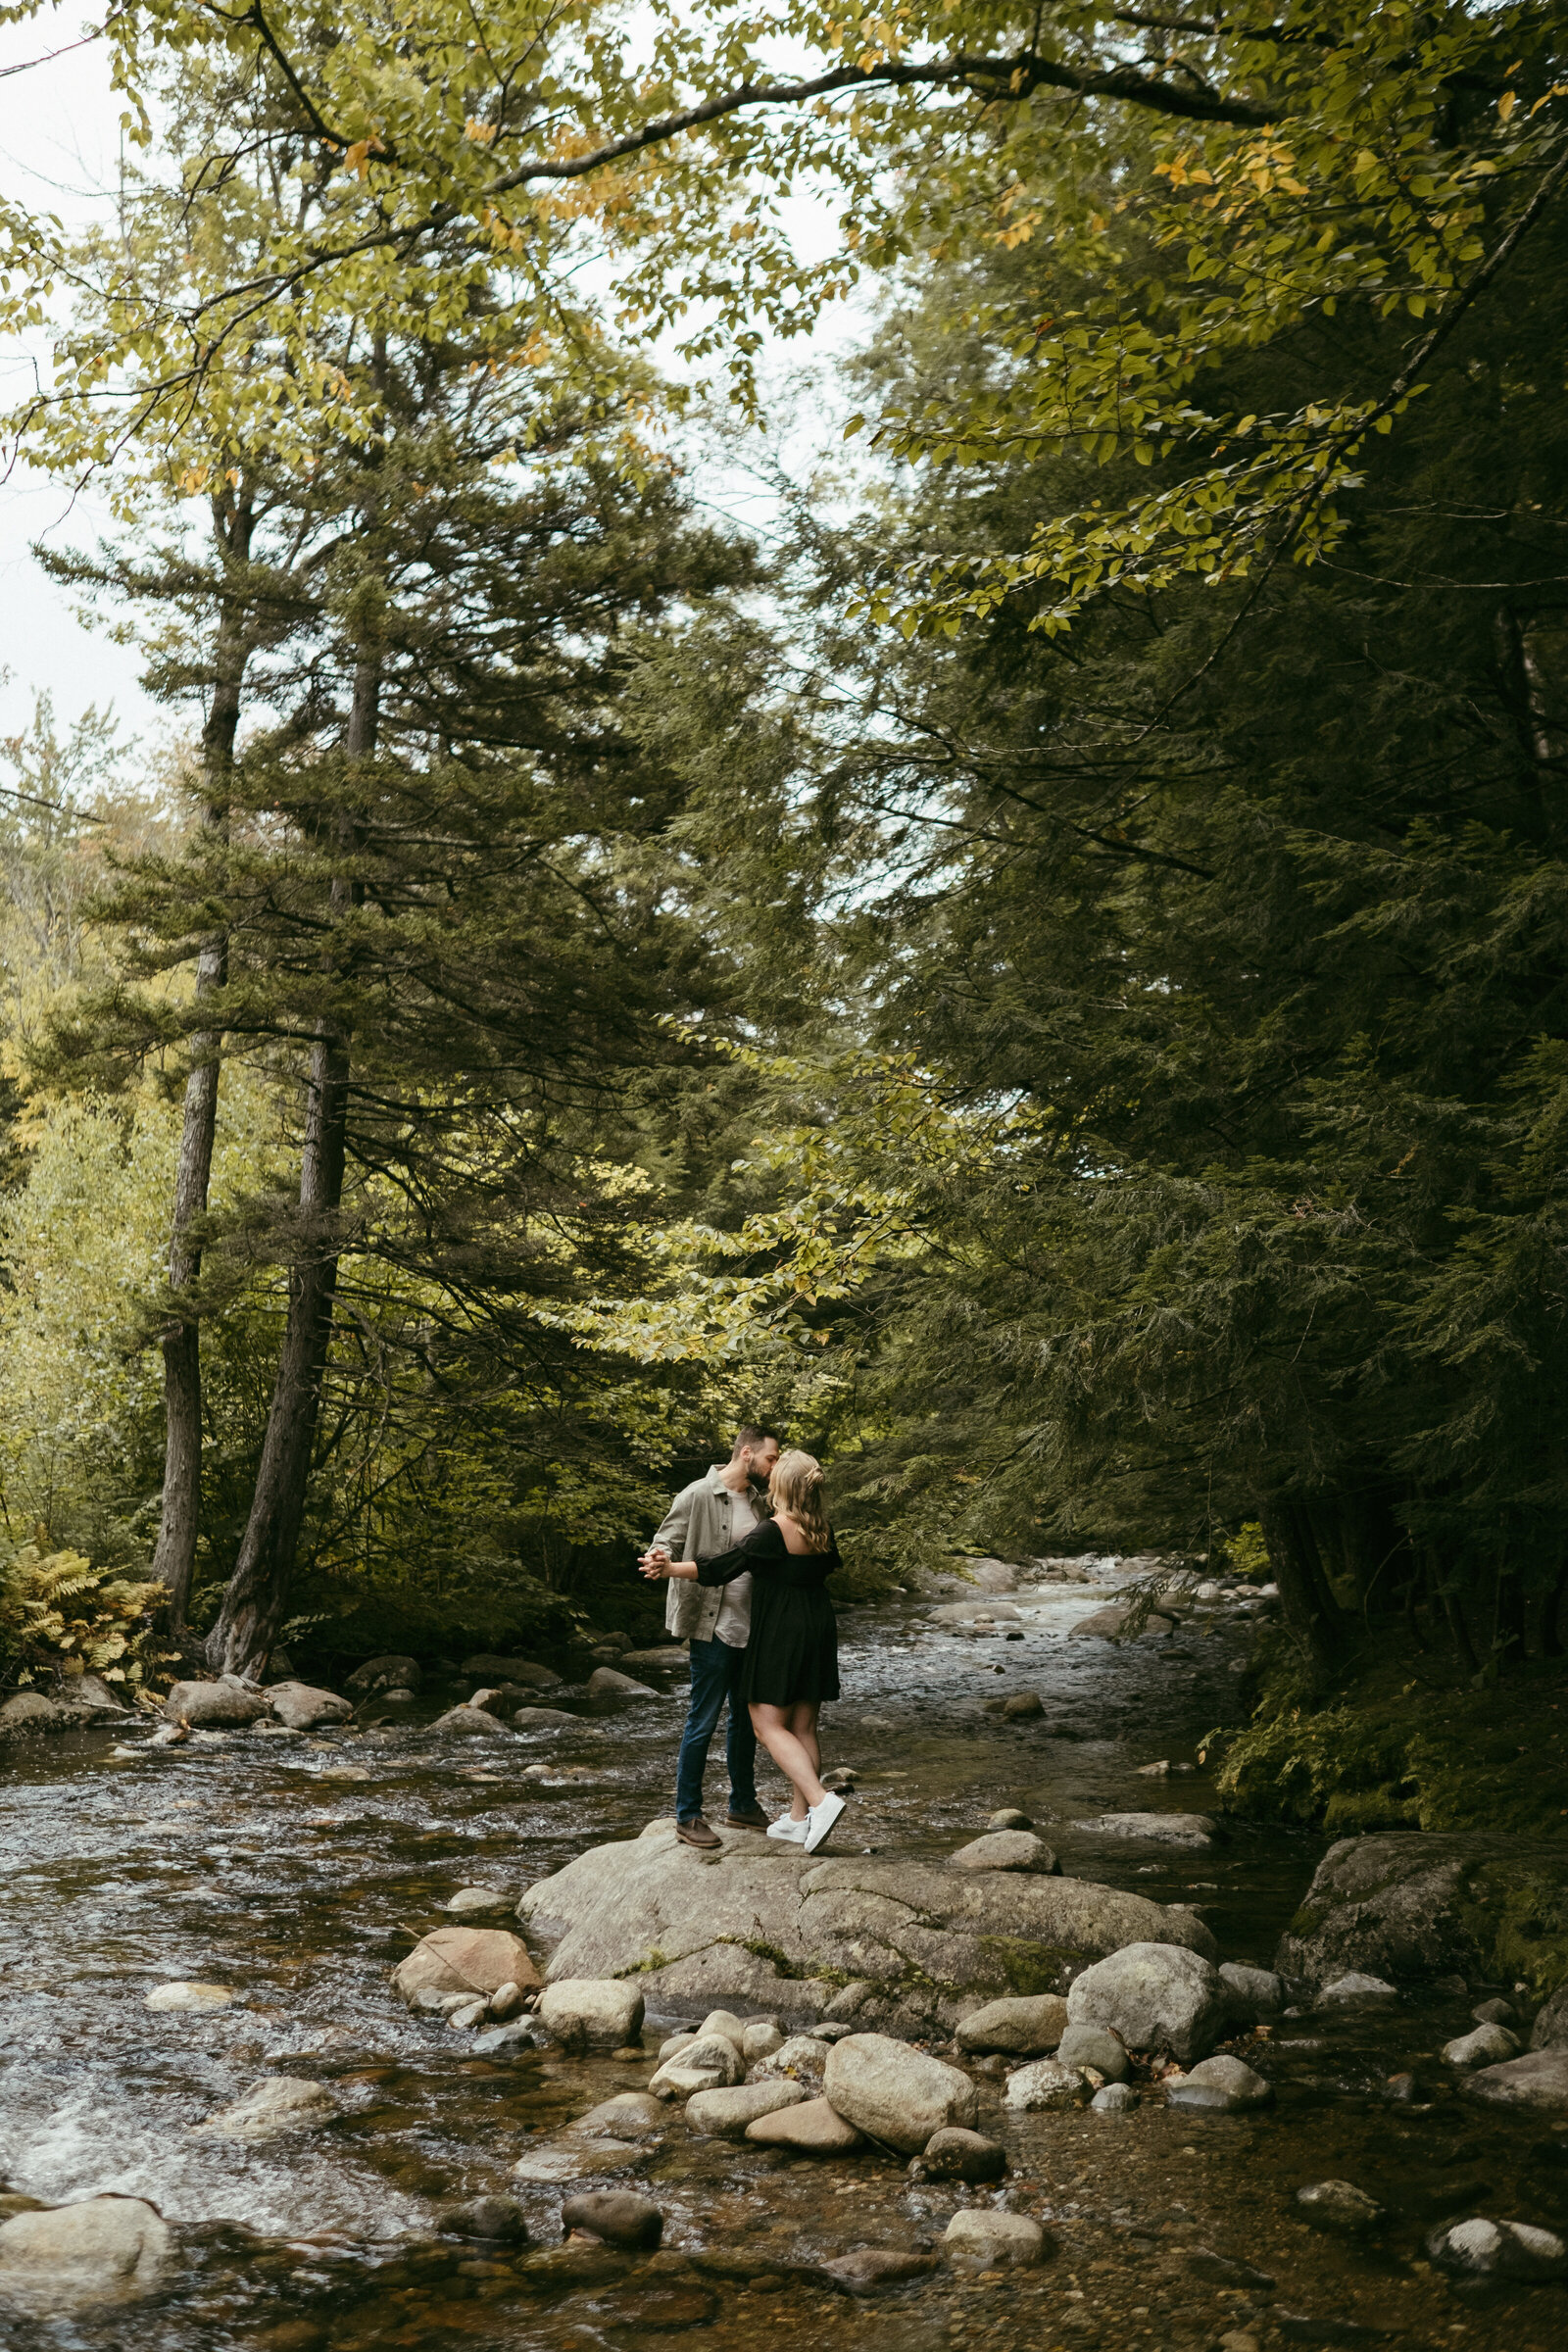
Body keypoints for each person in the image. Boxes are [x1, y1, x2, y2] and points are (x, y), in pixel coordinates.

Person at [642, 1447, 847, 1855]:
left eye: (776, 1471)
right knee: (803, 1727)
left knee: (766, 1725)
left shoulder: (774, 1528)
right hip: (818, 1626)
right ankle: (796, 1819)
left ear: (784, 1485)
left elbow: (720, 1567)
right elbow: (827, 1567)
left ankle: (822, 1803)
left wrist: (669, 1569)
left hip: (781, 1632)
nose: (769, 1476)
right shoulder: (820, 1526)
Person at [643, 1426, 780, 1850]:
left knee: (745, 1720)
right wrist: (659, 1557)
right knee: (702, 1720)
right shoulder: (697, 1494)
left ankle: (742, 1804)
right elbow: (663, 1540)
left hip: (752, 1626)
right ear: (746, 1454)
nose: (774, 1466)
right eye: (771, 1458)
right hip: (711, 1626)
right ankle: (687, 1816)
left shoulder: (759, 1502)